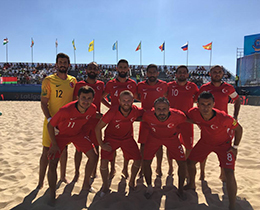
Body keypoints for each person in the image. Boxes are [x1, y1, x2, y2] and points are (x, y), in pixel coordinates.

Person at [185, 91, 243, 210]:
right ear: (197, 105)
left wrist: (235, 147)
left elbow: (239, 129)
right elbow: (187, 118)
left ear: (213, 104)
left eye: (208, 104)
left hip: (224, 145)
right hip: (205, 142)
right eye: (202, 104)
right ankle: (191, 184)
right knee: (190, 163)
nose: (205, 108)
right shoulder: (193, 113)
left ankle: (232, 206)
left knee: (229, 173)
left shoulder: (224, 118)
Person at [47, 86, 98, 205]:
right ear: (78, 98)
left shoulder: (92, 109)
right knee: (53, 162)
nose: (86, 101)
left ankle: (86, 185)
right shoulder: (65, 110)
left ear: (93, 99)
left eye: (89, 98)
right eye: (83, 98)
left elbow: (91, 119)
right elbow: (50, 126)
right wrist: (54, 144)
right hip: (61, 135)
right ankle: (52, 194)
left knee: (94, 156)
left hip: (77, 134)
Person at [37, 53, 77, 189]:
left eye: (65, 63)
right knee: (46, 150)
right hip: (51, 122)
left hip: (66, 123)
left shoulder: (73, 81)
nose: (62, 65)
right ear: (56, 64)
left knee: (64, 149)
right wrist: (49, 119)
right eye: (60, 62)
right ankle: (40, 182)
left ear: (69, 65)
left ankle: (63, 176)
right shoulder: (48, 80)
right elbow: (43, 103)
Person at [95, 90, 143, 197]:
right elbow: (98, 128)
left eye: (129, 100)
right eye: (124, 100)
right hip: (111, 138)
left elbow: (147, 113)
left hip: (127, 138)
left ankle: (131, 181)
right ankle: (106, 185)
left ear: (132, 101)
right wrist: (102, 144)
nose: (126, 103)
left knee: (138, 159)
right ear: (119, 101)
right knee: (104, 161)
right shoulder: (112, 111)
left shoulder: (135, 110)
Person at [198, 65, 240, 181]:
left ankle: (223, 173)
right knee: (204, 148)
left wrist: (235, 116)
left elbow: (237, 100)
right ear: (210, 74)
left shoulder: (228, 88)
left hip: (224, 123)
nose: (217, 74)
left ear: (223, 74)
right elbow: (198, 104)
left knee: (225, 149)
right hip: (207, 122)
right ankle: (202, 173)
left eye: (219, 72)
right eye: (214, 72)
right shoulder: (204, 88)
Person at [142, 97, 187, 199]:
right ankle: (149, 186)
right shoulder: (148, 115)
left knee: (182, 162)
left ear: (169, 108)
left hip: (172, 139)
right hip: (154, 138)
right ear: (154, 109)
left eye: (164, 109)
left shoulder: (178, 115)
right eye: (158, 109)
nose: (161, 112)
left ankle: (180, 189)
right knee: (146, 161)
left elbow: (188, 120)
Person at [72, 62, 109, 182]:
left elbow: (101, 98)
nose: (93, 71)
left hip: (95, 122)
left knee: (96, 147)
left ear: (98, 71)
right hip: (82, 121)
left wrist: (110, 106)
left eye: (95, 69)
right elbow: (74, 102)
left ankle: (93, 172)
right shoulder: (79, 84)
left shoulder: (100, 84)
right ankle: (77, 172)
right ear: (86, 70)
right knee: (79, 149)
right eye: (91, 68)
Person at [102, 59, 137, 179]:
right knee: (113, 145)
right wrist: (111, 107)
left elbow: (137, 98)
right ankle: (112, 168)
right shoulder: (111, 83)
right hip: (114, 118)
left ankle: (125, 168)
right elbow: (102, 97)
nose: (122, 69)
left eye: (125, 67)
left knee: (127, 144)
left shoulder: (132, 83)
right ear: (117, 69)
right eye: (120, 67)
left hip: (127, 119)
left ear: (128, 69)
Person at [136, 64, 168, 177]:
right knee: (143, 145)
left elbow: (166, 97)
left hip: (159, 119)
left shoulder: (163, 85)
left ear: (157, 73)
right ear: (146, 73)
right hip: (145, 119)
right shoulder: (140, 85)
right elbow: (137, 96)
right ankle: (142, 168)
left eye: (154, 72)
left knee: (159, 145)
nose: (152, 74)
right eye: (150, 72)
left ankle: (158, 168)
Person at [167, 65, 199, 159]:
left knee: (188, 146)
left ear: (187, 74)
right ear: (176, 74)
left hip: (187, 121)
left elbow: (198, 100)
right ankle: (170, 168)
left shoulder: (192, 86)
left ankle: (185, 166)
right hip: (172, 120)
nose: (182, 74)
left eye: (184, 72)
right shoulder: (169, 86)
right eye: (180, 72)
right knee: (170, 146)